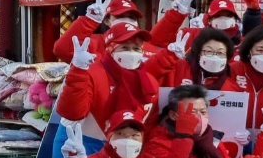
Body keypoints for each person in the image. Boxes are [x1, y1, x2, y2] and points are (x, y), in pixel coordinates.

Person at [55, 22, 184, 129]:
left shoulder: (149, 82)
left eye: (136, 48)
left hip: (123, 148)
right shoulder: (91, 73)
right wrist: (77, 72)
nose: (132, 53)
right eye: (125, 48)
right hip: (82, 145)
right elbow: (72, 112)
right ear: (110, 49)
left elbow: (148, 124)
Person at [52, 0, 193, 62]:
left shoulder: (144, 44)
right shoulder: (93, 43)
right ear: (107, 20)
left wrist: (176, 14)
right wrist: (90, 20)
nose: (126, 21)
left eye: (132, 17)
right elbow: (62, 50)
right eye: (119, 17)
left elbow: (157, 40)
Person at [168, 27, 238, 90]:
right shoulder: (180, 67)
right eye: (209, 51)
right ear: (199, 53)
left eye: (220, 53)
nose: (214, 57)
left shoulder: (233, 82)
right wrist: (169, 56)